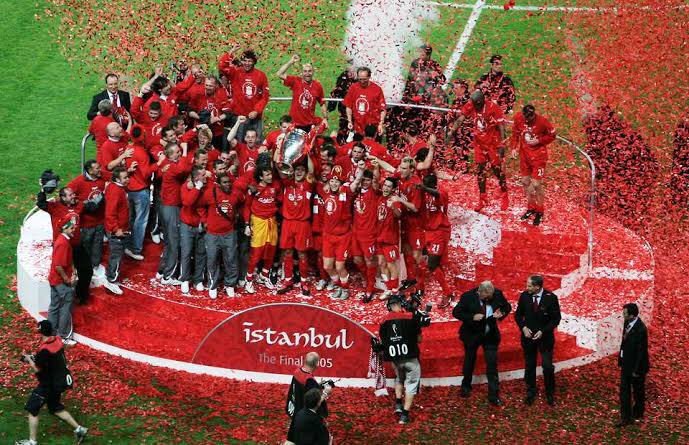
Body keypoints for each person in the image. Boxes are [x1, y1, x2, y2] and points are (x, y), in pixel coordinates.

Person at [16, 320, 88, 445]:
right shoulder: (58, 340)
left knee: (32, 410)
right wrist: (35, 358)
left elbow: (37, 368)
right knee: (55, 408)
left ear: (40, 332)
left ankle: (32, 442)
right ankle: (79, 429)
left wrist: (29, 359)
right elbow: (50, 359)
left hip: (47, 385)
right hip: (57, 383)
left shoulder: (44, 350)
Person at [452, 281, 511, 405]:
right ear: (480, 292)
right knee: (469, 360)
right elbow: (456, 312)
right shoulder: (468, 296)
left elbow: (507, 307)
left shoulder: (497, 294)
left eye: (491, 296)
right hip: (471, 334)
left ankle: (493, 395)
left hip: (490, 335)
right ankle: (466, 386)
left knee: (492, 364)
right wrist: (472, 317)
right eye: (487, 296)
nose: (489, 298)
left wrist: (502, 313)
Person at [449, 89, 508, 212]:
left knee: (497, 170)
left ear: (481, 102)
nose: (473, 106)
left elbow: (501, 126)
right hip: (479, 144)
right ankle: (482, 199)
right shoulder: (471, 104)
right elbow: (460, 119)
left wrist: (502, 144)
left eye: (476, 104)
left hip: (493, 143)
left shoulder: (493, 107)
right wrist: (452, 132)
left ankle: (504, 194)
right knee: (480, 171)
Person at [36, 183, 92, 306]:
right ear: (63, 197)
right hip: (63, 247)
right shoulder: (54, 207)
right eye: (70, 195)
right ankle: (63, 301)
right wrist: (43, 190)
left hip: (76, 245)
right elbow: (41, 203)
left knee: (87, 270)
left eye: (73, 194)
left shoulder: (79, 205)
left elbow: (90, 206)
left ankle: (81, 295)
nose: (73, 196)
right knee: (63, 274)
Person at [514, 274, 561, 405]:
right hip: (528, 338)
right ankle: (531, 391)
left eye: (529, 286)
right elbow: (518, 315)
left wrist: (543, 331)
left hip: (545, 338)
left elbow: (556, 319)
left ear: (537, 287)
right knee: (530, 365)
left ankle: (550, 393)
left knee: (547, 366)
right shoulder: (524, 296)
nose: (527, 288)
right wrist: (523, 327)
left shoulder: (551, 298)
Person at [379, 295, 424, 424]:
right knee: (411, 384)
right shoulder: (411, 317)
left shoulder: (383, 320)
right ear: (400, 304)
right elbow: (419, 339)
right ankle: (405, 415)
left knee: (399, 378)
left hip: (395, 359)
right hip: (411, 358)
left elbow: (382, 341)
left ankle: (398, 404)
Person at [510, 104, 556, 226]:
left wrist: (539, 140)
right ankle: (531, 208)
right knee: (525, 182)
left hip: (538, 157)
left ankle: (540, 211)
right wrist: (513, 148)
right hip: (524, 156)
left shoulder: (542, 121)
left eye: (529, 118)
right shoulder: (518, 118)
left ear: (533, 115)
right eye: (525, 118)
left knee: (536, 184)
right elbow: (515, 134)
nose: (527, 120)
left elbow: (552, 135)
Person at [202, 172, 244, 299]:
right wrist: (204, 220)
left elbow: (243, 203)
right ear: (219, 184)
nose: (228, 184)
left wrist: (237, 216)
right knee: (212, 260)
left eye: (229, 182)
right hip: (212, 234)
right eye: (224, 182)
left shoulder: (236, 193)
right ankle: (213, 285)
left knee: (231, 260)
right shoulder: (210, 193)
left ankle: (230, 285)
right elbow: (200, 206)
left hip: (229, 233)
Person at [277, 161, 315, 297]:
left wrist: (307, 153)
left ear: (305, 173)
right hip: (288, 223)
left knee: (302, 253)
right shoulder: (287, 183)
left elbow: (311, 171)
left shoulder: (308, 185)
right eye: (297, 169)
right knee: (287, 252)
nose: (299, 172)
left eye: (301, 170)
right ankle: (288, 280)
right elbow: (279, 168)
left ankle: (304, 282)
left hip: (302, 224)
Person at [243, 162, 281, 293]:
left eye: (271, 174)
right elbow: (247, 206)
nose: (270, 176)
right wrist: (247, 224)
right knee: (256, 253)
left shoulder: (275, 186)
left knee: (271, 251)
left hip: (272, 221)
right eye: (267, 175)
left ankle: (264, 275)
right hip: (258, 222)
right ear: (260, 177)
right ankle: (248, 280)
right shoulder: (254, 189)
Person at [218, 46, 270, 141]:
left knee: (256, 143)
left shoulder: (261, 75)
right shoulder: (235, 72)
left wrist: (257, 111)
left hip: (255, 118)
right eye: (245, 61)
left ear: (254, 62)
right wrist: (231, 52)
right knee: (239, 144)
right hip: (240, 117)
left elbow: (265, 96)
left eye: (250, 61)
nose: (247, 63)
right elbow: (222, 67)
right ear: (242, 61)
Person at [67, 160, 107, 284]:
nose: (100, 170)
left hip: (100, 221)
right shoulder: (79, 182)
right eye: (97, 168)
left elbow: (113, 177)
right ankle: (84, 268)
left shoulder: (102, 176)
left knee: (98, 244)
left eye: (99, 167)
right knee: (86, 246)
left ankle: (95, 266)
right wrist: (82, 204)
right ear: (89, 170)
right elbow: (67, 194)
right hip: (86, 223)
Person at [284, 352, 332, 445]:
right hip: (305, 417)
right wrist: (326, 392)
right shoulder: (309, 380)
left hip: (296, 411)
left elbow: (301, 390)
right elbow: (315, 402)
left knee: (293, 438)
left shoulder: (297, 372)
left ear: (305, 361)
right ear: (316, 364)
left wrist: (317, 386)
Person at [616, 303, 650, 427]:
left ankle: (638, 412)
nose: (623, 314)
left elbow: (641, 351)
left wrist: (636, 370)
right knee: (624, 391)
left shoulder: (641, 329)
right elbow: (624, 342)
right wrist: (621, 358)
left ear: (631, 315)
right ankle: (626, 417)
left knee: (638, 391)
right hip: (626, 364)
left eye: (625, 313)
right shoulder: (627, 323)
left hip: (637, 367)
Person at [47, 216, 78, 346]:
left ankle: (50, 333)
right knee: (66, 308)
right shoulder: (63, 244)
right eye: (71, 227)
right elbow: (59, 266)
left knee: (54, 306)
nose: (74, 229)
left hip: (54, 280)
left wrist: (73, 269)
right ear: (65, 229)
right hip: (61, 282)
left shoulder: (61, 240)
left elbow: (66, 260)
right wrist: (67, 279)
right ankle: (64, 335)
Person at [179, 165, 210, 295]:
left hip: (201, 226)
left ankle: (198, 280)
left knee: (201, 254)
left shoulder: (207, 187)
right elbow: (187, 202)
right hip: (187, 226)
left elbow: (207, 205)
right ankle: (185, 279)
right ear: (196, 177)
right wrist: (197, 188)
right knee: (186, 253)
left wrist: (204, 220)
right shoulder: (186, 187)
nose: (206, 176)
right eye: (203, 175)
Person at [277, 55, 328, 132]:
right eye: (305, 71)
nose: (307, 73)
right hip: (294, 123)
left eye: (309, 71)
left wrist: (325, 118)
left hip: (309, 124)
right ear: (302, 73)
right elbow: (279, 74)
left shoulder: (318, 86)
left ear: (313, 72)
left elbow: (322, 103)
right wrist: (291, 62)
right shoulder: (295, 81)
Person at [103, 167, 130, 295]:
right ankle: (111, 281)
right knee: (117, 255)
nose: (128, 179)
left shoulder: (116, 188)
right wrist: (116, 229)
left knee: (116, 254)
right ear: (118, 179)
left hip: (119, 228)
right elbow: (110, 213)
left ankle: (112, 276)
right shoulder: (116, 191)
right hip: (116, 230)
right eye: (125, 177)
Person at [343, 67, 386, 138]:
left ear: (369, 77)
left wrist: (381, 124)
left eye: (364, 79)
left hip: (372, 129)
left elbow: (382, 109)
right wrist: (349, 121)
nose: (362, 81)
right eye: (360, 79)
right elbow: (348, 106)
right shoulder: (353, 88)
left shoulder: (377, 89)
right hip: (357, 128)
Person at [329, 60, 356, 143]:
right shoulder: (343, 76)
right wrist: (331, 105)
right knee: (344, 125)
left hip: (356, 108)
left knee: (356, 127)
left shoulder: (360, 77)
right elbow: (337, 89)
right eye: (349, 71)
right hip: (344, 107)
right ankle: (342, 143)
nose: (350, 73)